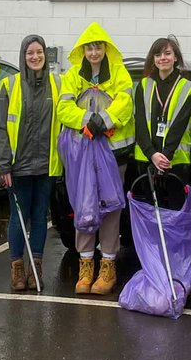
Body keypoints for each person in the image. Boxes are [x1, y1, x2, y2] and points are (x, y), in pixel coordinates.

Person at [57, 22, 135, 295]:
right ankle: (86, 264)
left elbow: (125, 103)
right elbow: (63, 107)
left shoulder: (120, 74)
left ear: (106, 49)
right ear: (83, 50)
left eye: (98, 46)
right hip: (81, 155)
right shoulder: (71, 77)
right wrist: (86, 120)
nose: (94, 52)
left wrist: (104, 120)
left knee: (111, 209)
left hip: (115, 155)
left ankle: (108, 267)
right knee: (84, 208)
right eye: (89, 47)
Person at [0, 35, 62, 291]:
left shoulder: (57, 83)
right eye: (30, 53)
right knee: (17, 217)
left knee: (40, 217)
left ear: (45, 55)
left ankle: (36, 269)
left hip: (46, 165)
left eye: (39, 52)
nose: (35, 57)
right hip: (17, 166)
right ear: (23, 56)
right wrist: (3, 164)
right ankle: (17, 268)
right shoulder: (10, 85)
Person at [133, 36, 191, 186]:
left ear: (176, 58)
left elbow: (179, 125)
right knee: (148, 208)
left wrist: (164, 157)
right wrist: (152, 155)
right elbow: (140, 123)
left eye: (167, 53)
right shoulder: (143, 85)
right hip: (146, 158)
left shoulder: (188, 87)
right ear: (153, 59)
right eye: (158, 55)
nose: (163, 58)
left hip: (175, 160)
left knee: (175, 208)